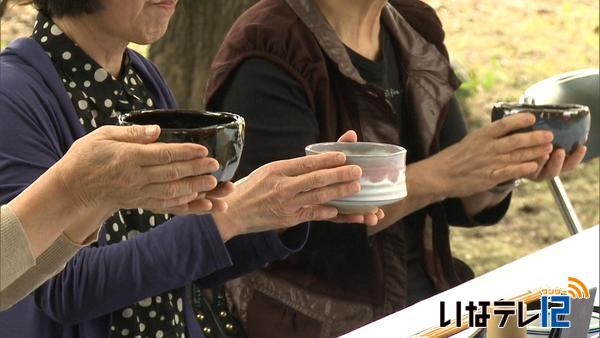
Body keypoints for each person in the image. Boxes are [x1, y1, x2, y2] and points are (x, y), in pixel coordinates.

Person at [0, 0, 384, 337]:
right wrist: (232, 216)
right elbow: (61, 291)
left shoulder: (141, 79)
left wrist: (282, 208)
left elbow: (179, 261)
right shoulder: (13, 93)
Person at [204, 0, 587, 336]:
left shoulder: (412, 27)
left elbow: (455, 198)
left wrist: (501, 169)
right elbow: (296, 227)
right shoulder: (271, 44)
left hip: (438, 301)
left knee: (578, 313)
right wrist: (442, 174)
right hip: (327, 318)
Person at [0, 123, 232, 309]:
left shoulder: (143, 77)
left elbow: (10, 282)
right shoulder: (12, 88)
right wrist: (71, 189)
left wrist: (102, 197)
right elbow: (64, 289)